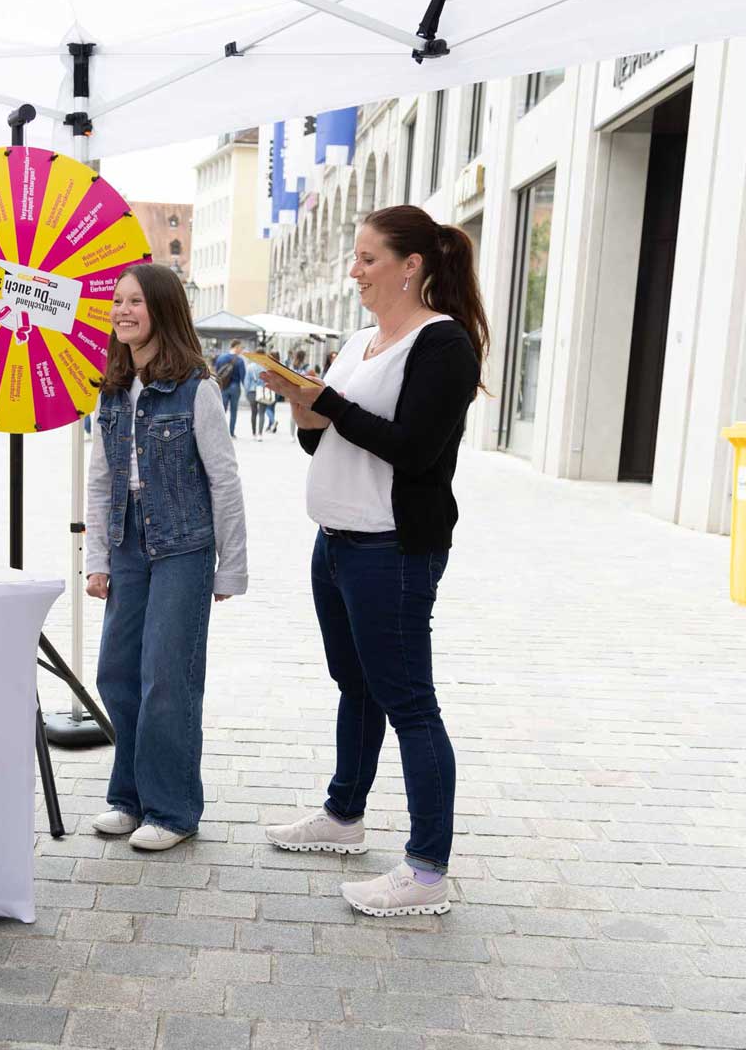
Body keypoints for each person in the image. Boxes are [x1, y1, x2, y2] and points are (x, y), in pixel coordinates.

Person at [261, 205, 486, 919]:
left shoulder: (444, 345)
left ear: (411, 265)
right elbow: (329, 441)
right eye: (354, 258)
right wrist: (305, 411)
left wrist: (329, 402)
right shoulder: (359, 340)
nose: (353, 271)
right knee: (354, 687)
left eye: (366, 258)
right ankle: (343, 816)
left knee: (410, 703)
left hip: (391, 547)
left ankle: (427, 870)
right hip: (335, 541)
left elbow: (414, 448)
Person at [85, 263, 247, 852]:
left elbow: (224, 481)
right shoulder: (109, 389)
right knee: (118, 672)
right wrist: (96, 559)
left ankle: (173, 809)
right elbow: (101, 480)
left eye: (135, 302)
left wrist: (231, 567)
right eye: (117, 301)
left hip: (183, 547)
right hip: (127, 544)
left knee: (166, 680)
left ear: (163, 310)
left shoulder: (196, 387)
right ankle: (128, 798)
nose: (122, 310)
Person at [212, 339, 246, 437]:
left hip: (223, 387)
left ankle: (220, 432)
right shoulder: (240, 360)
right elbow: (243, 377)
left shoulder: (221, 358)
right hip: (235, 387)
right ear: (236, 347)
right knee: (233, 411)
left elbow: (217, 372)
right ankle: (231, 432)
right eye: (240, 348)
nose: (241, 350)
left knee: (222, 410)